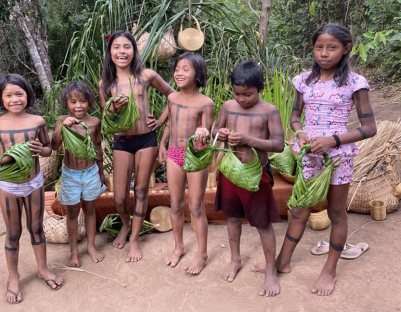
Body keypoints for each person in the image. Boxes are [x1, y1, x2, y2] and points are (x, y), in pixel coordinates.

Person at [251, 23, 377, 296]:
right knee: (299, 209)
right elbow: (296, 116)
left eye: (332, 47)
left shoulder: (355, 83)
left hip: (338, 157)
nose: (324, 53)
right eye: (319, 47)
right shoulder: (303, 80)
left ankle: (329, 270)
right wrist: (301, 133)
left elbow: (369, 128)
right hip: (309, 154)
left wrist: (332, 140)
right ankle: (282, 261)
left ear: (346, 49)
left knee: (335, 212)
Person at [0, 74, 63, 304]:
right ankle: (14, 277)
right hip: (9, 187)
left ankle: (43, 269)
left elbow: (48, 149)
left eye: (19, 94)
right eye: (9, 95)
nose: (15, 99)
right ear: (1, 98)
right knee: (13, 233)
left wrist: (40, 149)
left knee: (37, 228)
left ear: (28, 95)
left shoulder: (37, 121)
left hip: (34, 183)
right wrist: (4, 159)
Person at [98, 29, 174, 262]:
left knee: (140, 190)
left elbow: (173, 96)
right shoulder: (105, 83)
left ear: (134, 50)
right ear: (110, 52)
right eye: (117, 47)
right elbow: (106, 117)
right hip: (122, 141)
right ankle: (126, 224)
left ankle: (134, 239)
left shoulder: (146, 75)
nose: (122, 51)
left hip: (146, 140)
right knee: (119, 197)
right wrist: (114, 109)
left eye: (127, 47)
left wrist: (160, 121)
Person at [213, 60, 284, 296]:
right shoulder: (227, 106)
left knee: (262, 224)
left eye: (248, 94)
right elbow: (215, 131)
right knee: (232, 219)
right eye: (237, 93)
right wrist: (220, 133)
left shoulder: (269, 111)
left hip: (256, 174)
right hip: (230, 173)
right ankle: (235, 260)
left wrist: (248, 140)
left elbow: (279, 144)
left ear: (261, 88)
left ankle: (270, 270)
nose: (242, 99)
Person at [157, 53, 213, 274]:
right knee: (176, 203)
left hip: (196, 153)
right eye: (177, 69)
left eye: (185, 69)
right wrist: (162, 144)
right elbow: (170, 123)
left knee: (196, 206)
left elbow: (207, 131)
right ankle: (179, 246)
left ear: (197, 74)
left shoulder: (205, 102)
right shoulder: (172, 98)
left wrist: (203, 132)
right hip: (174, 152)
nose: (179, 73)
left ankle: (202, 253)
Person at [51, 81, 106, 267]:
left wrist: (101, 172)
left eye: (82, 101)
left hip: (91, 172)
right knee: (72, 213)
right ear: (66, 103)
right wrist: (62, 127)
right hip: (71, 175)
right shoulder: (62, 120)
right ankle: (74, 252)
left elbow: (98, 147)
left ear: (89, 102)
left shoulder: (94, 122)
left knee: (90, 210)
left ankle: (91, 246)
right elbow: (54, 145)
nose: (78, 106)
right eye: (73, 102)